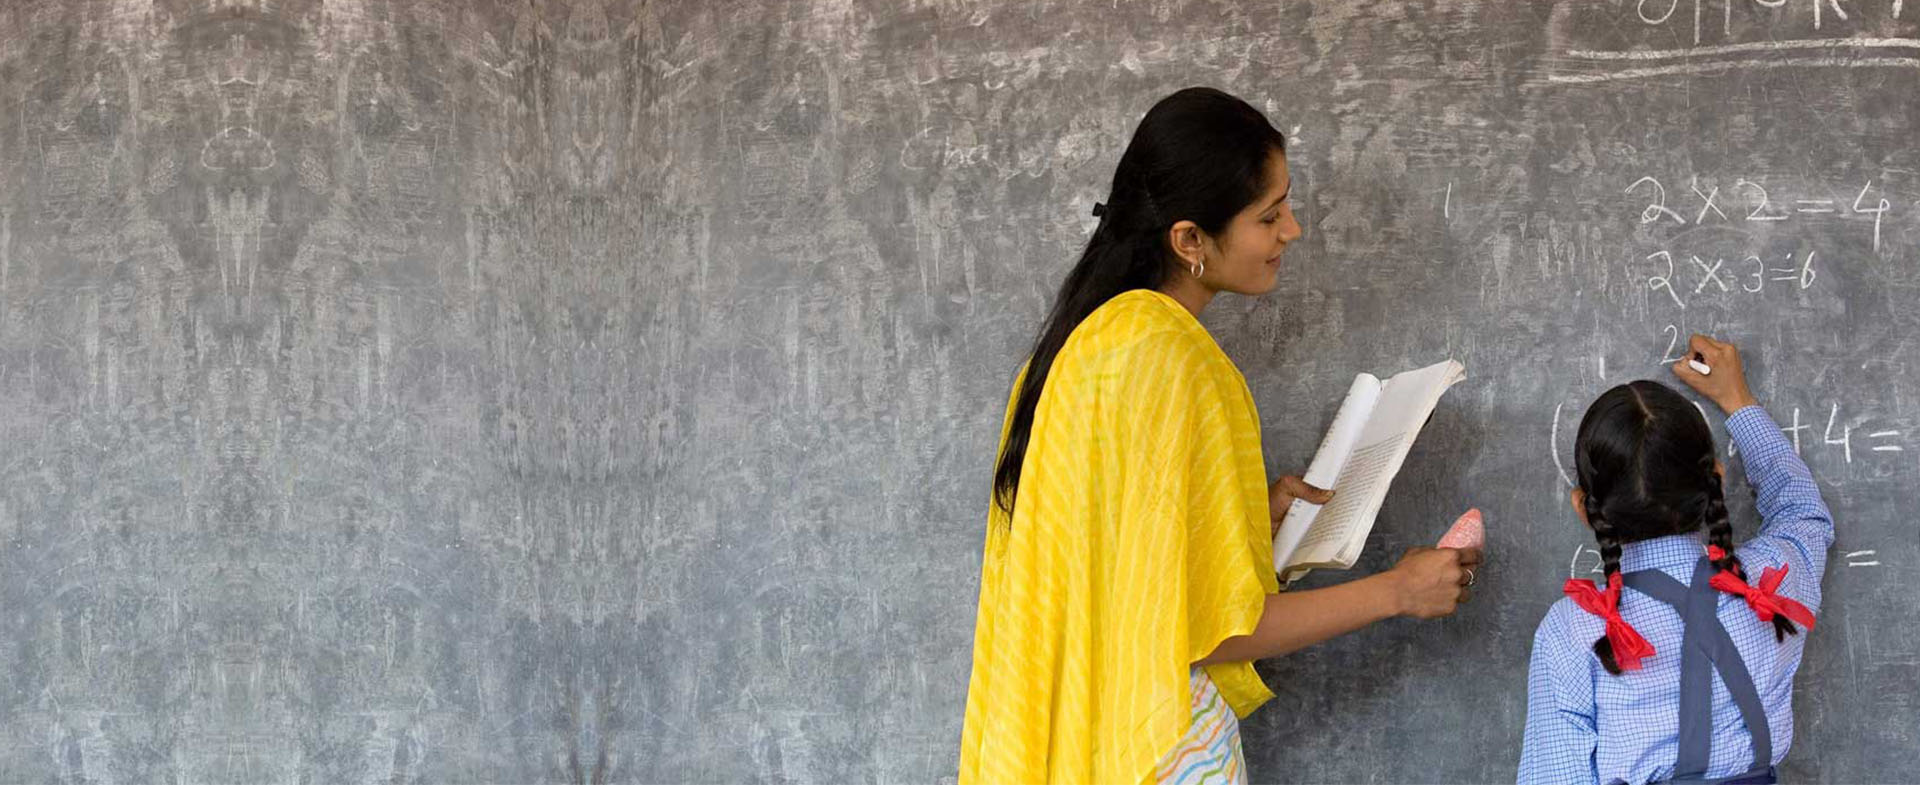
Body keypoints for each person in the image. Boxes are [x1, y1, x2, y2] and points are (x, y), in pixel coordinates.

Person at [958, 87, 1482, 785]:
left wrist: (1243, 528)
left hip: (1083, 737)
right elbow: (1215, 629)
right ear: (1189, 241)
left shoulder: (1075, 351)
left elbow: (1118, 574)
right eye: (1269, 215)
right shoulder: (1178, 359)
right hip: (1158, 748)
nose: (1292, 230)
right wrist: (1398, 591)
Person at [1519, 335, 1834, 785]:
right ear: (1716, 481)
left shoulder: (1573, 629)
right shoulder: (1773, 578)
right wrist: (1738, 401)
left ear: (1583, 508)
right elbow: (1802, 512)